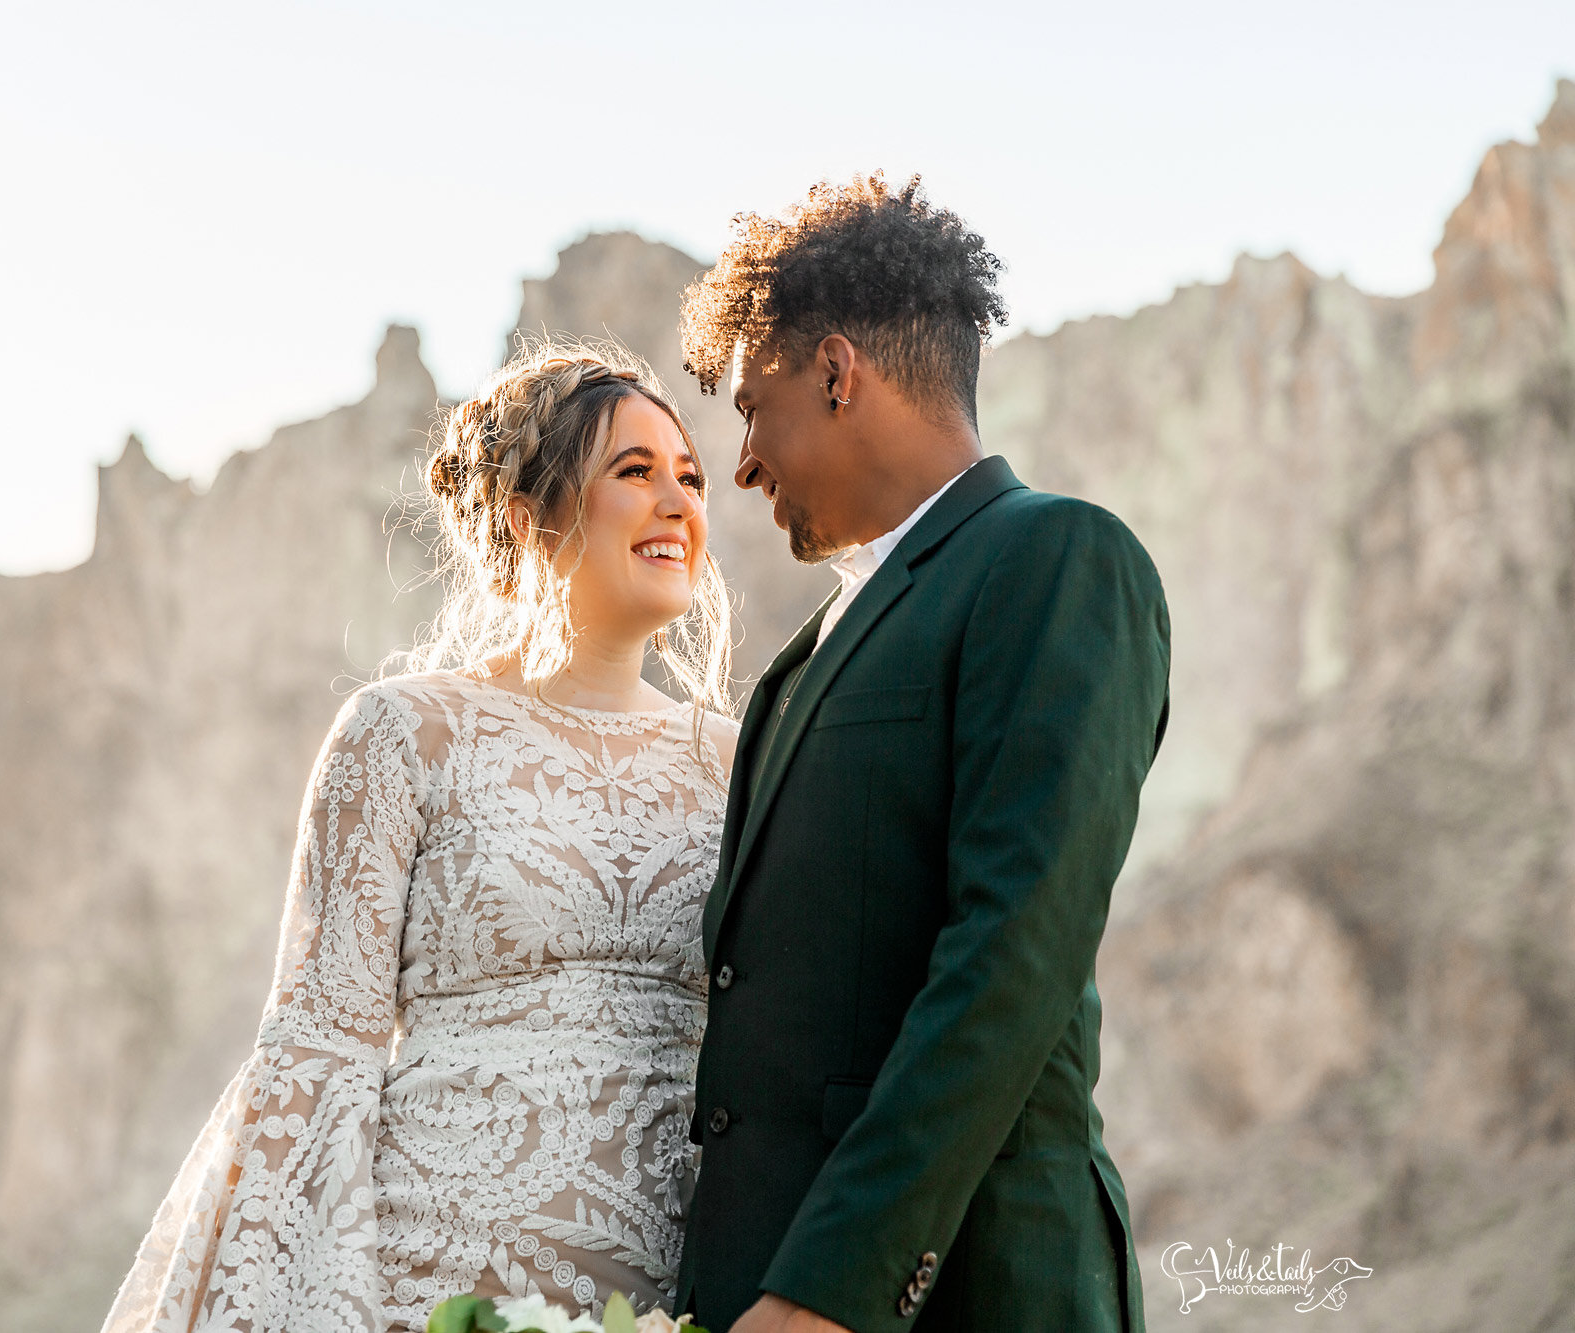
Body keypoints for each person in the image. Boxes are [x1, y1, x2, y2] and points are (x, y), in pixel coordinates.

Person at [102, 343, 739, 1333]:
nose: (678, 502)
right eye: (635, 472)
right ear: (530, 518)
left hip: (672, 1293)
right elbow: (316, 1055)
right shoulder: (404, 732)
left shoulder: (742, 763)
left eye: (690, 478)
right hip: (430, 1289)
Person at [671, 175, 1170, 1333]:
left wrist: (827, 1289)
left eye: (753, 408)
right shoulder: (796, 668)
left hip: (964, 1287)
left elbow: (1011, 951)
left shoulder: (1053, 560)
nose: (741, 463)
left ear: (838, 372)